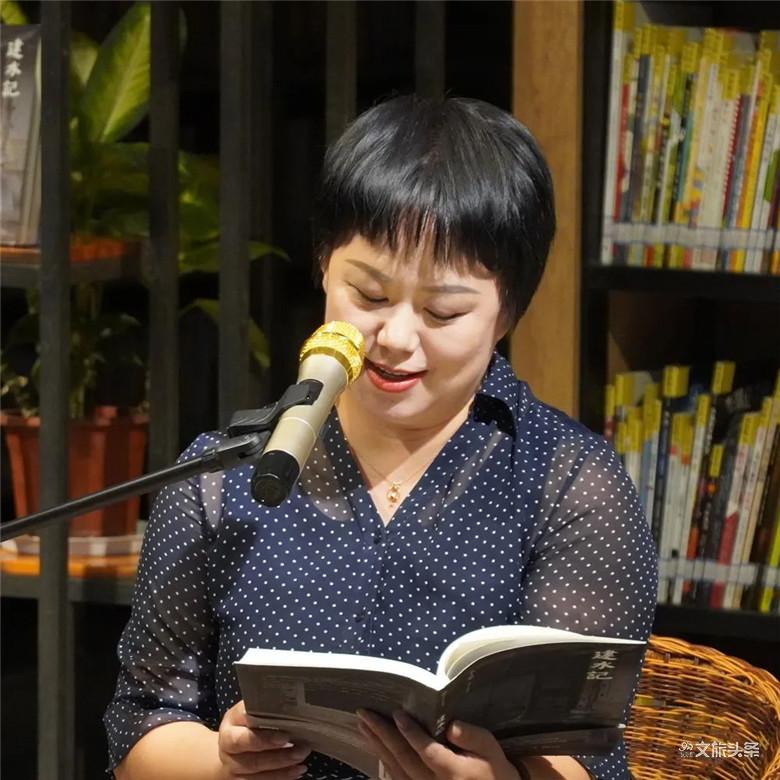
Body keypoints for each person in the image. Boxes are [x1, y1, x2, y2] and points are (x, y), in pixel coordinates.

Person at [105, 94, 657, 780]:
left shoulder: (567, 483)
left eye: (442, 311)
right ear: (323, 267)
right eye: (368, 296)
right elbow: (141, 727)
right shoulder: (222, 479)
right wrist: (223, 764)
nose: (394, 338)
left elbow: (591, 755)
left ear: (507, 312)